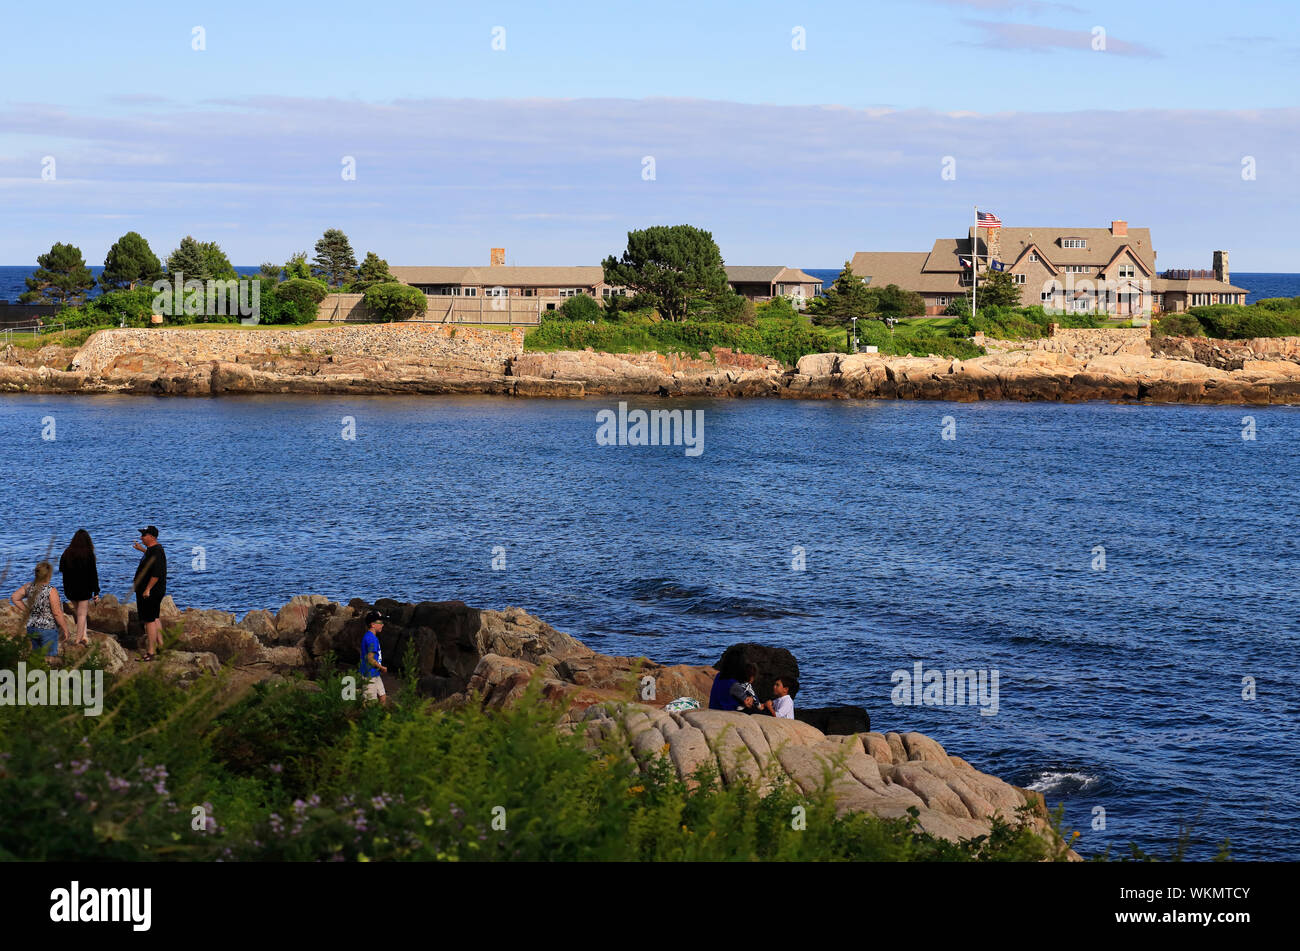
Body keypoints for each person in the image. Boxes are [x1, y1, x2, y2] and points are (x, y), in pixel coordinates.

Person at [10, 561, 70, 661]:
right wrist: (65, 628)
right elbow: (57, 613)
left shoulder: (28, 586)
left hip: (32, 626)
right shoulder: (51, 590)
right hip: (48, 629)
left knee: (36, 658)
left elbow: (14, 598)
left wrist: (27, 610)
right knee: (50, 659)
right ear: (48, 575)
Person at [58, 529, 99, 648]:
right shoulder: (89, 553)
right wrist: (96, 591)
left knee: (79, 612)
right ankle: (77, 640)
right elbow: (93, 574)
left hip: (70, 588)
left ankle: (84, 635)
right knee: (82, 615)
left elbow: (61, 569)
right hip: (84, 588)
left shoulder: (66, 552)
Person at [132, 525, 167, 662]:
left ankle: (150, 652)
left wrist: (147, 589)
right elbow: (151, 556)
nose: (141, 537)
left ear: (152, 537)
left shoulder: (157, 551)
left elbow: (157, 573)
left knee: (149, 621)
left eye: (144, 535)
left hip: (150, 592)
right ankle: (161, 647)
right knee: (155, 617)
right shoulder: (152, 550)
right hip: (150, 590)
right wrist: (143, 550)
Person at [360, 610, 389, 705]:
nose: (383, 625)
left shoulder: (372, 636)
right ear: (373, 624)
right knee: (369, 702)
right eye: (380, 622)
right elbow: (370, 658)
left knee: (382, 696)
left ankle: (381, 717)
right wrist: (381, 667)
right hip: (369, 674)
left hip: (375, 673)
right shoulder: (371, 639)